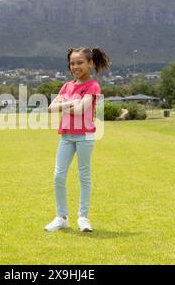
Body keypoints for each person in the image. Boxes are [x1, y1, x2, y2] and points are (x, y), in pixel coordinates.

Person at [45, 47, 110, 232]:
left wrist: (63, 105)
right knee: (58, 176)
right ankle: (61, 217)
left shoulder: (93, 86)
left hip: (85, 136)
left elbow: (82, 110)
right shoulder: (66, 86)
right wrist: (71, 103)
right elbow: (51, 107)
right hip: (66, 135)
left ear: (90, 63)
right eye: (72, 63)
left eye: (80, 62)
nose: (75, 66)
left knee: (84, 176)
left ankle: (83, 218)